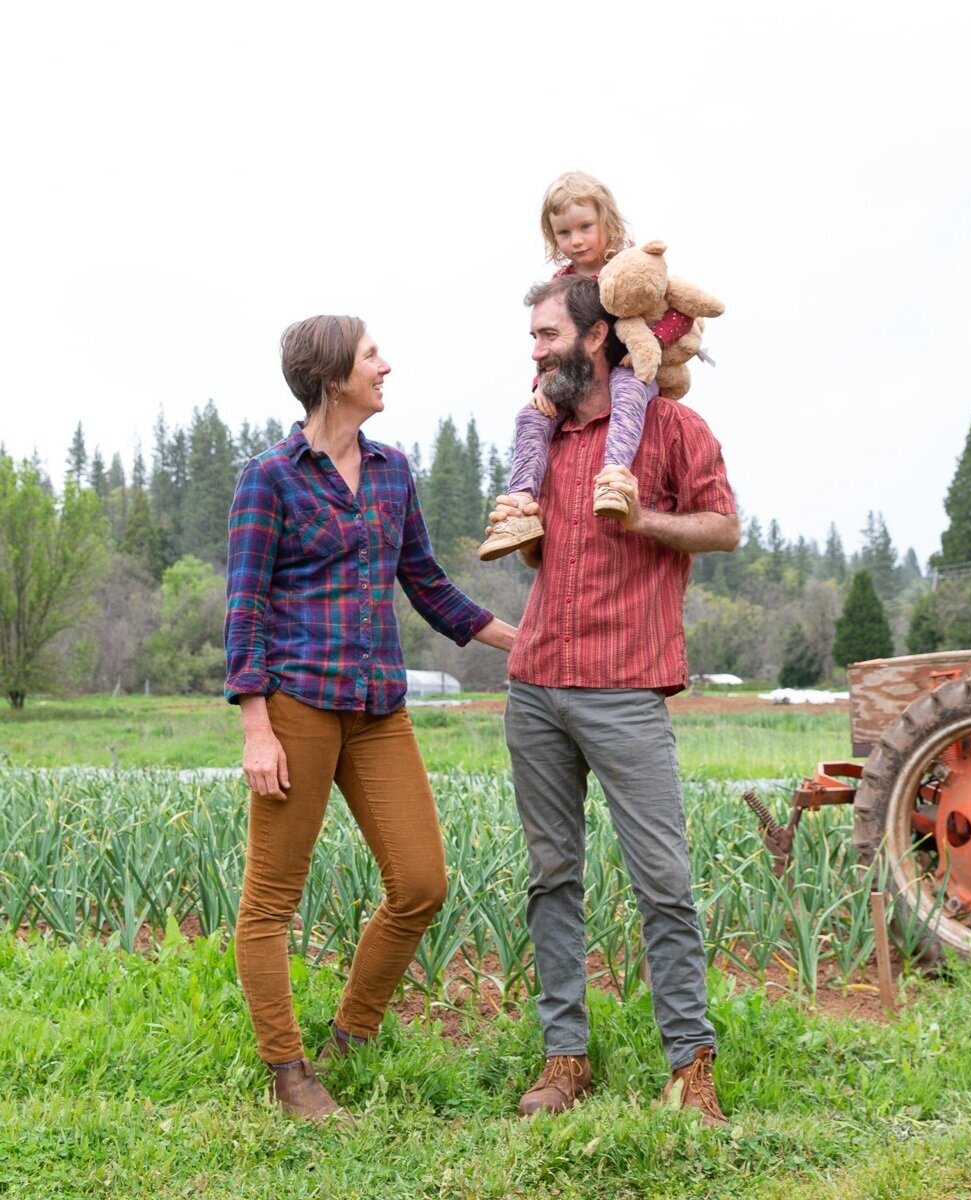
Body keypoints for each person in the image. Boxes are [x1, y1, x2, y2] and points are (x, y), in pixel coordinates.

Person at [224, 315, 517, 1123]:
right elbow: (244, 607)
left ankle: (351, 1037)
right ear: (331, 378)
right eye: (370, 357)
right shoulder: (270, 478)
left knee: (421, 882)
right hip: (296, 706)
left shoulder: (392, 472)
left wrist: (520, 640)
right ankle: (288, 1071)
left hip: (379, 707)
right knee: (271, 901)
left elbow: (426, 585)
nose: (386, 366)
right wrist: (256, 727)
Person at [491, 274, 740, 1124]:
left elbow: (723, 525)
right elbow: (541, 558)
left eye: (546, 334)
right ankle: (565, 1061)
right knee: (551, 878)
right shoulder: (546, 437)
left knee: (663, 880)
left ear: (596, 338)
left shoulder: (668, 429)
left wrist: (644, 523)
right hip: (536, 684)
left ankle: (690, 1066)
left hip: (627, 688)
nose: (535, 350)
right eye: (531, 336)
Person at [477, 170, 697, 562]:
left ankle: (613, 478)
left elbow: (683, 310)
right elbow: (554, 342)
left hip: (629, 366)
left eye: (585, 227)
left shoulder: (633, 264)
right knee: (531, 417)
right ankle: (520, 504)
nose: (576, 240)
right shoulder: (561, 281)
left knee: (628, 389)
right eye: (564, 233)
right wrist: (541, 386)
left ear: (606, 222)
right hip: (580, 376)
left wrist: (651, 345)